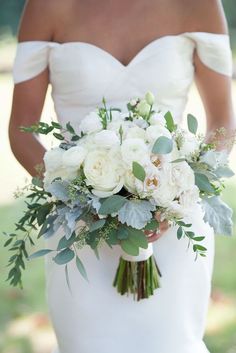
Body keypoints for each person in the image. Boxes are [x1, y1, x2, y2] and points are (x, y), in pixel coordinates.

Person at [9, 0, 235, 352]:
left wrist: (177, 192)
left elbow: (223, 123)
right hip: (80, 232)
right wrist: (81, 199)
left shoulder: (199, 4)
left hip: (172, 227)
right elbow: (21, 131)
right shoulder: (47, 6)